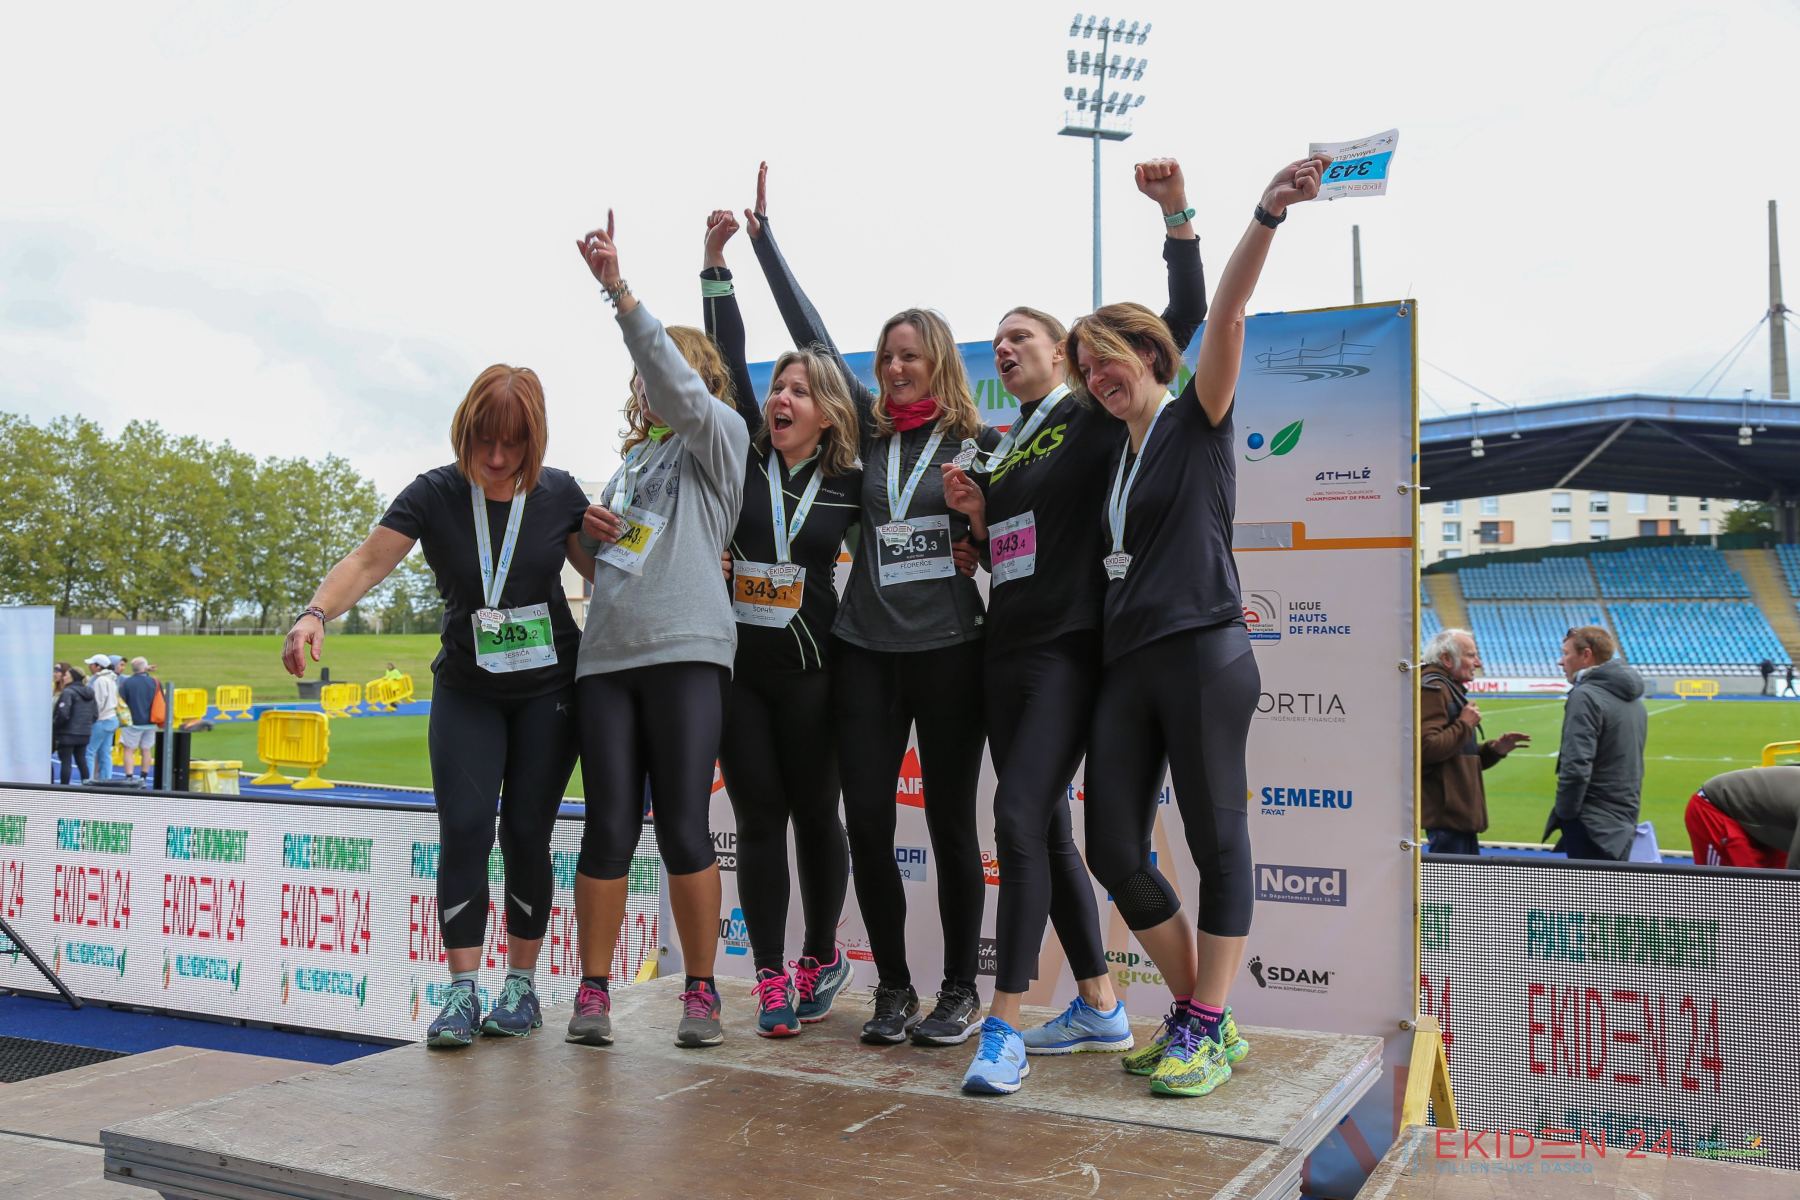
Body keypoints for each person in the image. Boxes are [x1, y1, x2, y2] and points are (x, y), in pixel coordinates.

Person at [942, 158, 1211, 1095]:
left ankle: (1003, 1027)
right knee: (1046, 831)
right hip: (1002, 647)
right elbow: (1020, 543)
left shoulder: (1090, 411)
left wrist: (1177, 217)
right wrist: (978, 523)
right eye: (996, 342)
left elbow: (1180, 322)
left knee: (1018, 817)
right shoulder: (1009, 443)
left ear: (1065, 355)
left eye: (1020, 336)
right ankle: (1100, 1003)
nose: (1004, 348)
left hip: (1068, 648)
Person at [1067, 154, 1328, 1100]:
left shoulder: (1199, 418)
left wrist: (1259, 212)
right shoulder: (1112, 459)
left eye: (1108, 358)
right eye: (1085, 367)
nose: (1098, 376)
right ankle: (1198, 1011)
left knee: (1218, 842)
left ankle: (1206, 1022)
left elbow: (1224, 315)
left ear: (1149, 355)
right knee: (1112, 848)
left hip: (1207, 652)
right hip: (1128, 666)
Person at [747, 163, 1000, 1047]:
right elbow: (810, 337)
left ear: (939, 363)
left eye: (909, 357)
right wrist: (765, 245)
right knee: (866, 824)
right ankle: (892, 988)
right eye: (886, 357)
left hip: (950, 654)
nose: (893, 369)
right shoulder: (867, 429)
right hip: (864, 655)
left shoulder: (978, 442)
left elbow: (1021, 535)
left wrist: (978, 539)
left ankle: (958, 990)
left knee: (952, 825)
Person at [283, 363, 593, 1048]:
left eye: (513, 443)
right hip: (467, 691)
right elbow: (367, 562)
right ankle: (461, 991)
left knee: (527, 835)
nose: (496, 458)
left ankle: (521, 987)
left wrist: (635, 546)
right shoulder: (434, 493)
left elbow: (604, 572)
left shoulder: (561, 493)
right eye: (484, 440)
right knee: (465, 828)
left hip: (549, 693)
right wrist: (314, 613)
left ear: (534, 440)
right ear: (464, 431)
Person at [567, 213, 749, 1051]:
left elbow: (676, 389)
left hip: (686, 654)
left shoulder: (719, 436)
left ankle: (701, 991)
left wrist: (618, 292)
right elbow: (605, 569)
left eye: (659, 372)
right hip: (607, 661)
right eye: (639, 377)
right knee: (608, 826)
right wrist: (588, 536)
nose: (646, 387)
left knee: (682, 824)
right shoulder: (628, 466)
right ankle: (594, 988)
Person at [700, 210, 860, 1037]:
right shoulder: (746, 456)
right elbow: (727, 359)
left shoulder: (850, 480)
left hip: (815, 677)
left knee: (815, 817)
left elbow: (819, 340)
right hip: (742, 676)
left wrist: (771, 247)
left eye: (799, 390)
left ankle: (819, 955)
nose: (781, 398)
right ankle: (766, 975)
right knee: (758, 821)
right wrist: (716, 264)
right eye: (777, 389)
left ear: (828, 411)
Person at [1419, 629, 1529, 855]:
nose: (1478, 663)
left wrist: (1494, 750)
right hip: (1448, 817)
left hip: (1457, 817)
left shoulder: (1448, 688)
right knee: (1452, 877)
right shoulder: (1434, 689)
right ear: (1447, 659)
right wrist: (1464, 724)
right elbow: (1426, 749)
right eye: (1471, 655)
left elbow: (1456, 757)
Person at [1545, 626, 1647, 861]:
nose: (1561, 661)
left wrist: (1566, 814)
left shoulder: (1585, 695)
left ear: (1586, 655)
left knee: (1589, 883)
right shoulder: (1634, 700)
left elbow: (1576, 765)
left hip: (1592, 822)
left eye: (1566, 653)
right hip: (1622, 817)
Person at [1685, 766, 1800, 869]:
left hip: (1765, 821)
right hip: (1715, 809)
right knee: (1737, 881)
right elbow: (1795, 870)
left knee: (1774, 880)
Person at [117, 657, 159, 782]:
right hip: (151, 721)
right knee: (146, 749)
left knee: (129, 749)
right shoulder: (154, 682)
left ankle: (129, 776)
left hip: (133, 722)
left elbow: (121, 702)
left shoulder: (127, 683)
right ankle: (143, 777)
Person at [52, 666, 96, 785]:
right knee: (82, 761)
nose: (64, 677)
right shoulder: (90, 692)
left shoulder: (68, 692)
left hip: (67, 733)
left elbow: (63, 713)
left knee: (66, 762)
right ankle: (87, 787)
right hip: (84, 733)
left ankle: (64, 789)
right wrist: (85, 725)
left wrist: (55, 726)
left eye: (66, 675)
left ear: (72, 677)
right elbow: (95, 714)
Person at [81, 654, 121, 782]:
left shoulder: (100, 681)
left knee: (89, 752)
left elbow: (98, 702)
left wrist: (90, 718)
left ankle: (88, 780)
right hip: (111, 718)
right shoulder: (111, 678)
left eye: (91, 664)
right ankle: (106, 781)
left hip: (101, 720)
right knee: (105, 753)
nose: (89, 666)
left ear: (98, 666)